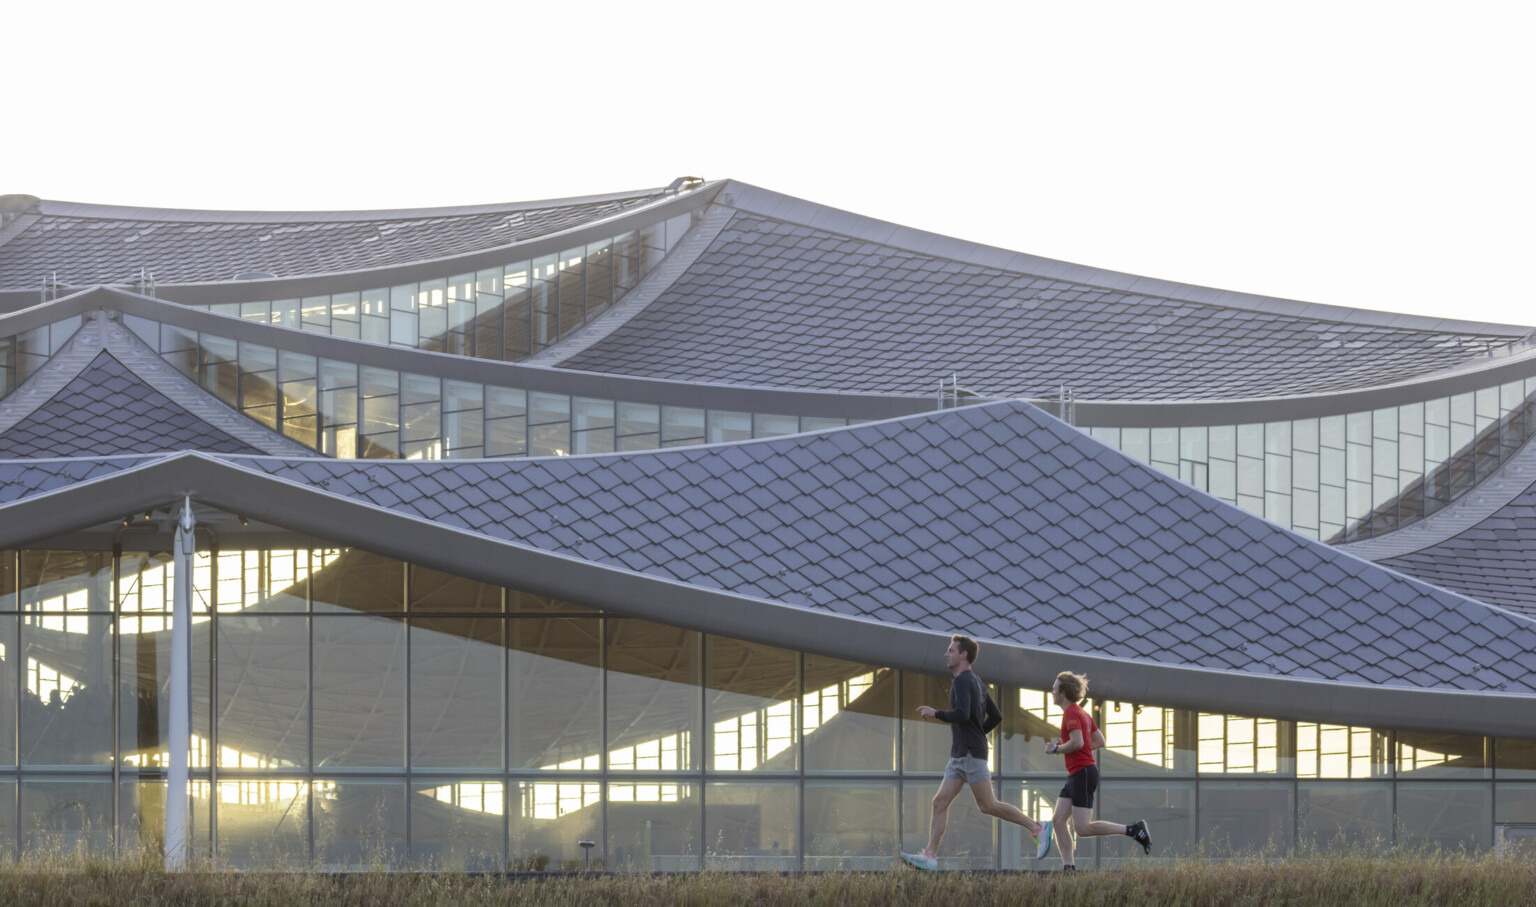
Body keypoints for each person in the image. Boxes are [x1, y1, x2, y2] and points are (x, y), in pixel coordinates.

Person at [900, 635, 1052, 870]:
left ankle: (1038, 828)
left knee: (987, 804)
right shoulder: (977, 682)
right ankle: (930, 855)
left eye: (951, 650)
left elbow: (962, 714)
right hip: (961, 754)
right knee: (939, 802)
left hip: (970, 755)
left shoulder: (963, 681)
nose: (946, 654)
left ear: (963, 655)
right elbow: (996, 716)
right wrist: (978, 734)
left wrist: (935, 713)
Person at [1045, 670, 1151, 870]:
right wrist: (1071, 745)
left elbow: (1077, 743)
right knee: (1058, 821)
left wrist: (1056, 748)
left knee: (1082, 828)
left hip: (1082, 773)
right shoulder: (1081, 713)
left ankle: (1134, 830)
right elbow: (1099, 741)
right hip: (1077, 773)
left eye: (1054, 688)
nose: (1052, 691)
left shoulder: (1071, 713)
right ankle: (1069, 868)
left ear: (1063, 693)